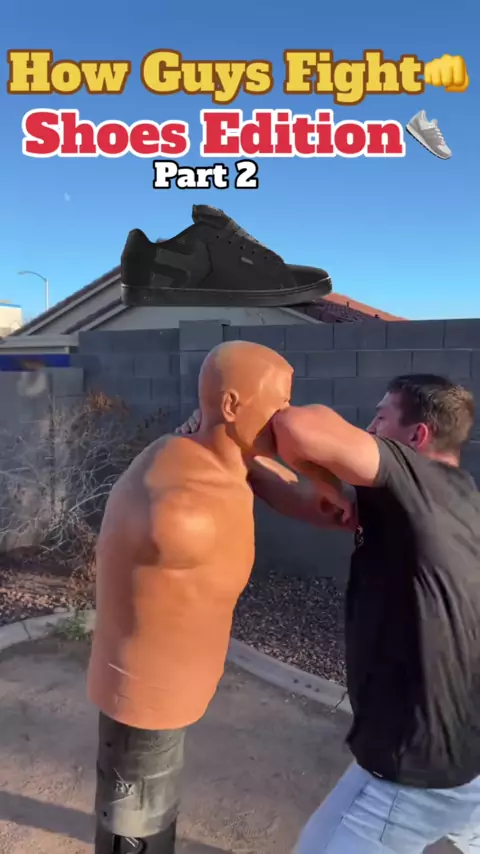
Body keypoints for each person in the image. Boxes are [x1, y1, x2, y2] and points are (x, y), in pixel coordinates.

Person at [180, 374, 480, 853]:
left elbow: (297, 428)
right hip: (465, 755)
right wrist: (232, 455)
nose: (369, 427)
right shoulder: (446, 499)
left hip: (414, 773)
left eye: (380, 417)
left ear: (417, 436)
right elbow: (311, 504)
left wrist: (324, 477)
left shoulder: (415, 479)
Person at [87, 340, 293, 854]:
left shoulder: (211, 455)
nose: (288, 418)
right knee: (137, 824)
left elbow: (265, 465)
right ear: (231, 406)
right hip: (144, 692)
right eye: (280, 404)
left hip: (181, 687)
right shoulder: (179, 507)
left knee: (156, 805)